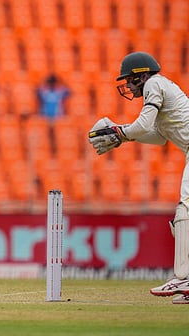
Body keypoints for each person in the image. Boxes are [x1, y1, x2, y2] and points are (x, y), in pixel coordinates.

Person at [88, 51, 189, 305]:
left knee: (185, 212)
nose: (129, 87)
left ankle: (184, 277)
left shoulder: (155, 83)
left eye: (130, 81)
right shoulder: (161, 86)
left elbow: (142, 126)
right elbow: (158, 136)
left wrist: (119, 132)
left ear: (141, 75)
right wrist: (123, 136)